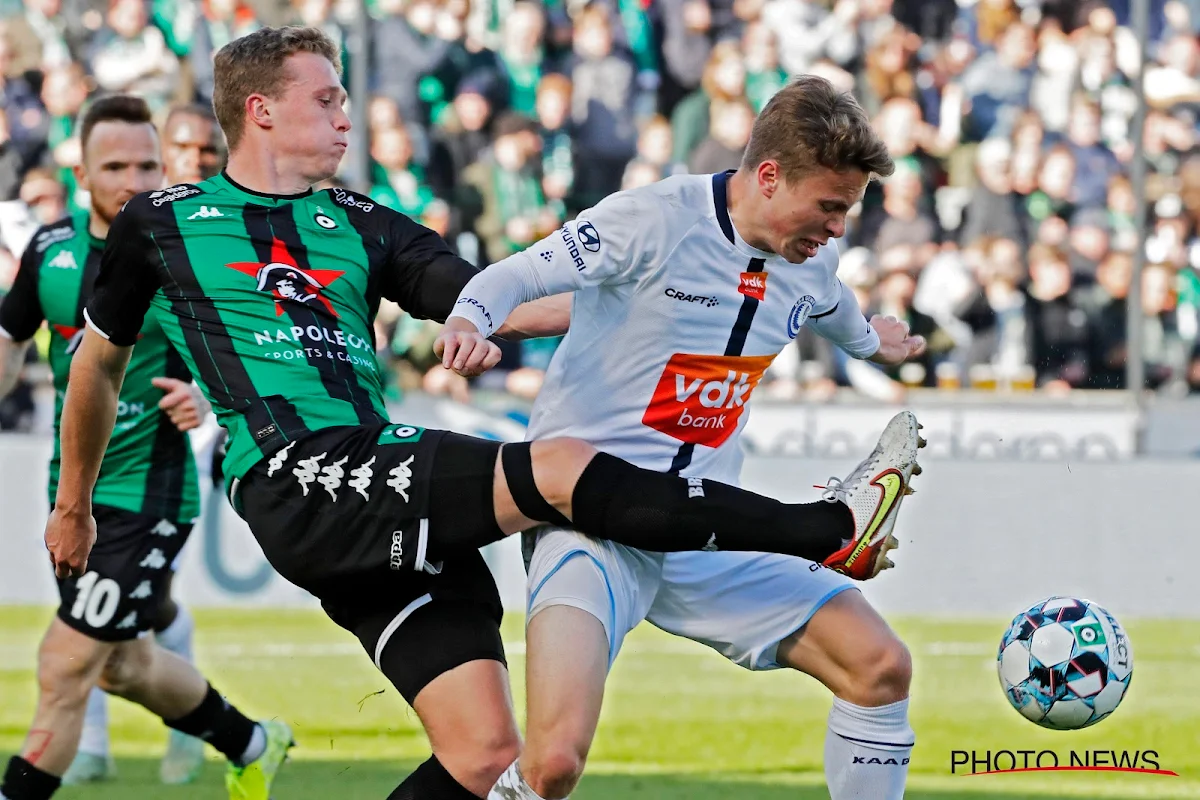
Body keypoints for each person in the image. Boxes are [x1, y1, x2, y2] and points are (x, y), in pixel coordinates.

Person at [48, 27, 921, 800]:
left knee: (487, 756)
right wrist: (73, 504)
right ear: (260, 111)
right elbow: (97, 368)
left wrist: (635, 308)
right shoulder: (161, 221)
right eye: (327, 98)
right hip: (301, 473)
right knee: (558, 473)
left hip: (379, 499)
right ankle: (823, 525)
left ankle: (813, 531)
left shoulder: (362, 223)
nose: (348, 114)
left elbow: (479, 293)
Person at [438, 76, 926, 800]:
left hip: (707, 531)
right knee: (553, 765)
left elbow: (842, 313)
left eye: (847, 211)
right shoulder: (654, 219)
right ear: (768, 177)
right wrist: (471, 319)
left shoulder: (811, 263)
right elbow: (514, 276)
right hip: (590, 523)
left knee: (881, 666)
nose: (837, 230)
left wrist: (874, 344)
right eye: (829, 207)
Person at [0, 95, 291, 800]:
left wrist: (210, 401)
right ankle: (253, 742)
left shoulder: (194, 253)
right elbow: (9, 339)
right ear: (80, 173)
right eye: (115, 165)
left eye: (146, 164)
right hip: (74, 494)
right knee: (120, 665)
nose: (133, 178)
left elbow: (272, 350)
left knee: (64, 666)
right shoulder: (51, 250)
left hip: (149, 495)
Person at [63, 101, 228, 787]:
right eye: (181, 150)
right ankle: (222, 733)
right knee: (131, 613)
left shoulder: (214, 239)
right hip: (92, 449)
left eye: (204, 153)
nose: (193, 163)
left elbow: (248, 346)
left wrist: (208, 402)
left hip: (176, 449)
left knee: (89, 622)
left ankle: (88, 749)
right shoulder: (69, 245)